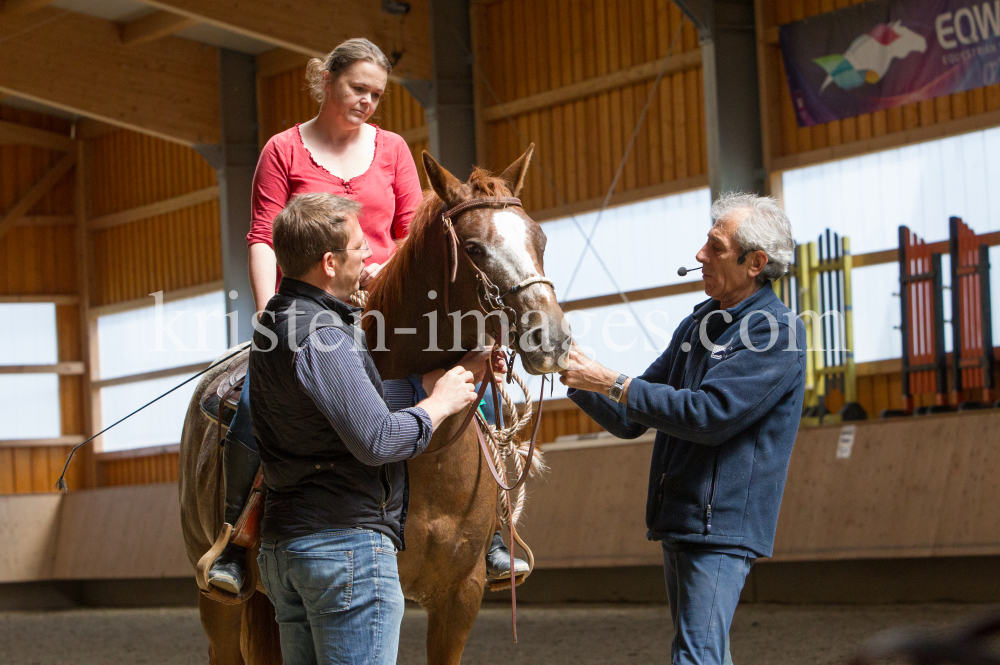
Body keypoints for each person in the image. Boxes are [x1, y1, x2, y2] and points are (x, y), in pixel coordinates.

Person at [208, 37, 525, 592]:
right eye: (358, 88)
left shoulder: (394, 149)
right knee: (256, 397)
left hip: (384, 304)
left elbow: (409, 235)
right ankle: (235, 537)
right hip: (310, 308)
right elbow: (263, 236)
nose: (367, 102)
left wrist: (387, 280)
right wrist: (268, 318)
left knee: (482, 383)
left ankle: (494, 531)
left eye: (376, 94)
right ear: (325, 81)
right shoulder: (283, 150)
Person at [559, 193, 806, 665]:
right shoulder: (701, 323)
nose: (699, 255)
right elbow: (632, 415)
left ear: (755, 262)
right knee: (703, 654)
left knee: (695, 657)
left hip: (721, 525)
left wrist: (610, 380)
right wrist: (568, 369)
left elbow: (708, 415)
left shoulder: (774, 333)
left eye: (714, 247)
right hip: (685, 517)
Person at [252, 193, 496, 664]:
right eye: (360, 248)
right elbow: (378, 439)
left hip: (288, 549)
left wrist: (429, 383)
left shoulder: (278, 325)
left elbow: (340, 408)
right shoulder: (324, 335)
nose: (368, 258)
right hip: (346, 552)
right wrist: (438, 406)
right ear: (329, 262)